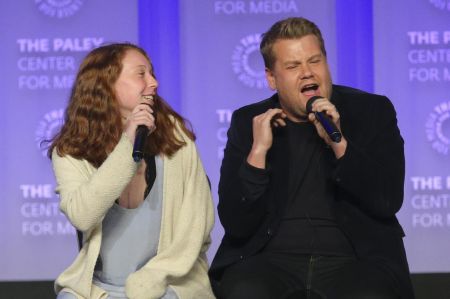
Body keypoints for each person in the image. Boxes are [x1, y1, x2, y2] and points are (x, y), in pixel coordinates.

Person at [209, 17, 414, 299]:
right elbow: (235, 222)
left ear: (326, 65)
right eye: (293, 66)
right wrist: (257, 153)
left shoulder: (372, 111)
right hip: (270, 259)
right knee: (245, 291)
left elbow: (387, 200)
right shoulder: (249, 122)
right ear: (271, 78)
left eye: (314, 61)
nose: (307, 73)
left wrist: (339, 143)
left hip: (355, 259)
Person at [48, 43, 215, 299]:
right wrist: (127, 144)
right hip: (98, 288)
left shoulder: (176, 136)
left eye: (152, 73)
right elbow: (82, 216)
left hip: (170, 282)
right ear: (107, 84)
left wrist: (154, 280)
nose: (153, 83)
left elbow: (198, 224)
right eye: (141, 74)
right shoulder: (71, 151)